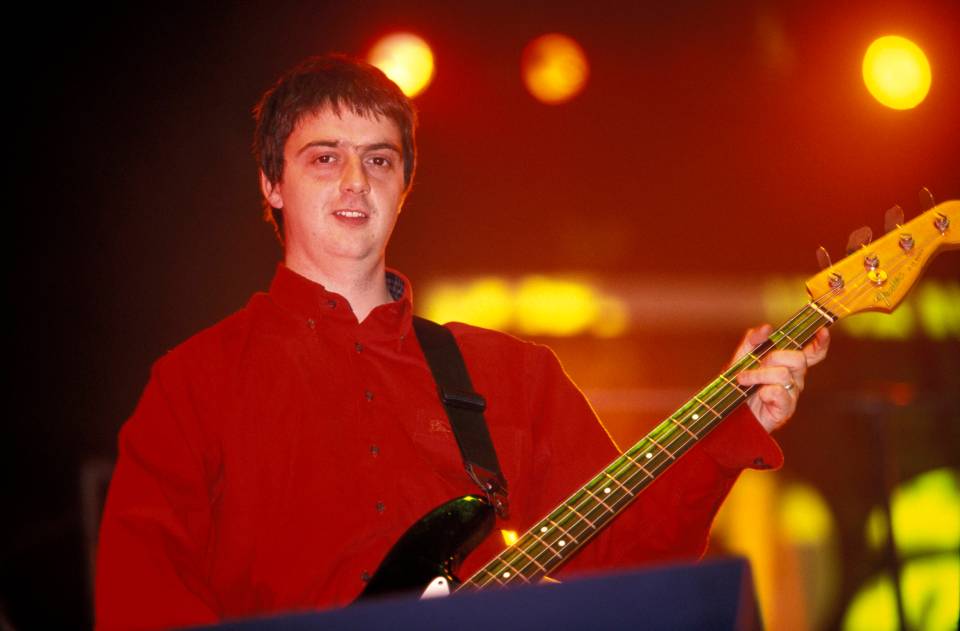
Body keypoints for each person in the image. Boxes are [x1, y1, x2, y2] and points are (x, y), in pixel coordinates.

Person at [95, 54, 829, 631]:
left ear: (405, 184)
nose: (355, 180)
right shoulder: (192, 383)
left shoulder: (511, 373)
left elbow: (625, 561)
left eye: (379, 159)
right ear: (271, 183)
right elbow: (141, 606)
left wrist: (733, 422)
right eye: (324, 157)